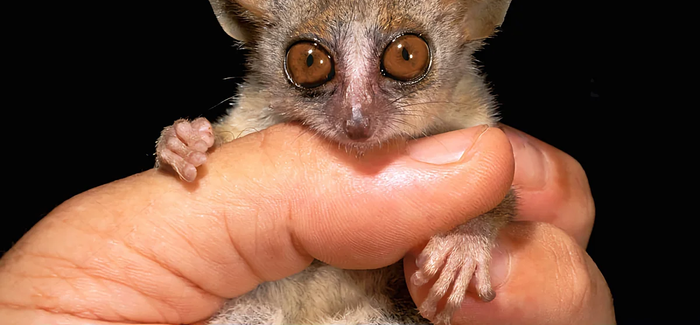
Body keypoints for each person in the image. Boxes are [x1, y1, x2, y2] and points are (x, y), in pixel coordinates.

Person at [0, 123, 614, 324]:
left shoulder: (458, 120)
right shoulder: (263, 118)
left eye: (403, 59)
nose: (356, 115)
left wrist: (473, 230)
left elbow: (493, 200)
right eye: (314, 63)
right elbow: (211, 174)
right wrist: (180, 146)